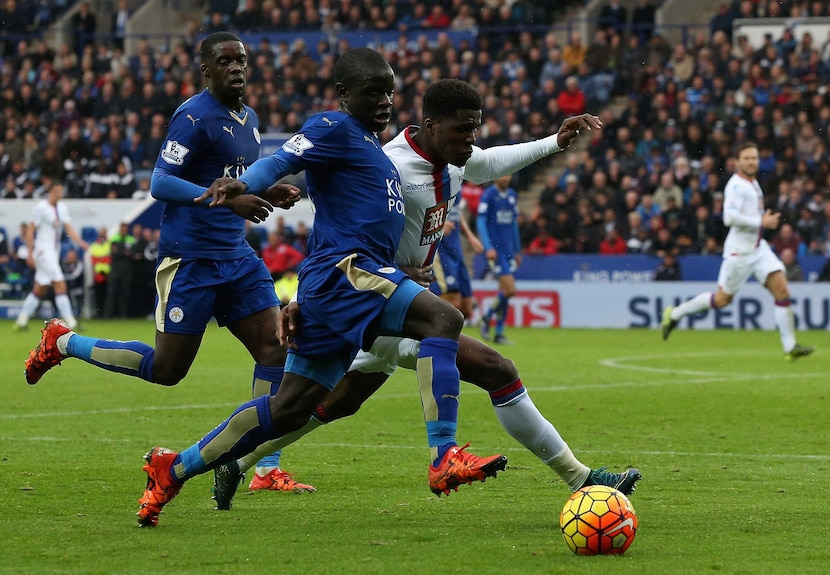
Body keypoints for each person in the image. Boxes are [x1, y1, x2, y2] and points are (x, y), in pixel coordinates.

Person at [212, 79, 641, 510]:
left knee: (333, 403)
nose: (471, 140)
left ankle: (239, 461)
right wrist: (306, 297)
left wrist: (554, 142)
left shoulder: (452, 156)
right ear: (432, 125)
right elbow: (337, 231)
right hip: (372, 301)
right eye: (463, 129)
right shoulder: (391, 166)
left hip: (397, 304)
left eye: (476, 129)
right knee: (496, 368)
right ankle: (580, 478)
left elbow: (489, 163)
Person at [133, 47, 507, 527]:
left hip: (338, 285)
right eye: (373, 92)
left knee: (289, 409)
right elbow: (281, 160)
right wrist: (241, 183)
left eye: (390, 92)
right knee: (444, 319)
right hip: (346, 272)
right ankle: (443, 456)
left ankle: (174, 467)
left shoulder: (370, 145)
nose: (385, 102)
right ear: (344, 94)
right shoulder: (333, 127)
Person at [23, 32, 314, 495]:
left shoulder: (251, 119)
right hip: (190, 260)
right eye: (225, 61)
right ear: (207, 69)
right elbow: (161, 181)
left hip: (236, 257)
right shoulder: (192, 116)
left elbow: (232, 184)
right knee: (167, 370)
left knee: (276, 350)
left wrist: (261, 195)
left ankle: (258, 467)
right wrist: (223, 203)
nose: (236, 67)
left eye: (241, 60)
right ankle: (64, 341)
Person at [661, 142, 815, 361]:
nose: (751, 161)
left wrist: (760, 224)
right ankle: (675, 314)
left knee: (782, 291)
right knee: (722, 300)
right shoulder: (735, 186)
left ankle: (790, 347)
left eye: (754, 158)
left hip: (758, 248)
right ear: (738, 162)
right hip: (739, 253)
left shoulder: (752, 182)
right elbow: (729, 218)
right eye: (747, 158)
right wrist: (760, 221)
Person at [14, 181, 89, 331]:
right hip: (43, 251)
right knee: (60, 282)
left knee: (40, 288)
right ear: (51, 192)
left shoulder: (62, 208)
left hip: (53, 253)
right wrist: (30, 252)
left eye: (61, 192)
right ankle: (71, 322)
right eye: (57, 192)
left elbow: (68, 227)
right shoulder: (41, 208)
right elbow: (30, 229)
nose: (59, 195)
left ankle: (21, 321)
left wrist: (80, 242)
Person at [477, 174, 521, 345]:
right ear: (496, 177)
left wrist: (517, 249)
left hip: (509, 250)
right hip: (496, 251)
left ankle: (499, 333)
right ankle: (486, 318)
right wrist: (488, 247)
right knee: (510, 290)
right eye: (502, 174)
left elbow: (514, 224)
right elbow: (481, 222)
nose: (505, 178)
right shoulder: (489, 195)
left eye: (508, 174)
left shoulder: (512, 195)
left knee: (506, 292)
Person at [431, 197, 483, 319]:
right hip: (440, 251)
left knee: (466, 309)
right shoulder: (432, 182)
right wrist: (439, 227)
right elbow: (419, 210)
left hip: (456, 251)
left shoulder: (456, 182)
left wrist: (470, 236)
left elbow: (456, 212)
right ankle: (433, 336)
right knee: (451, 303)